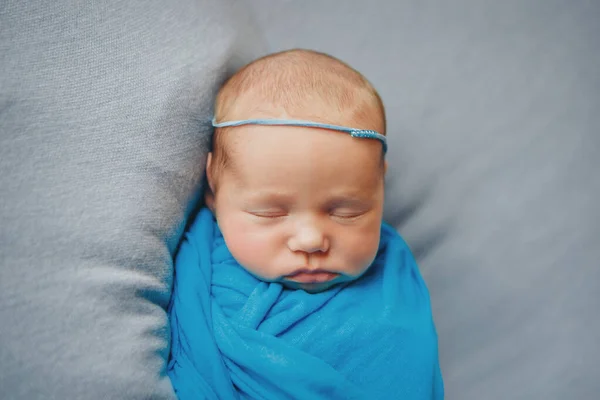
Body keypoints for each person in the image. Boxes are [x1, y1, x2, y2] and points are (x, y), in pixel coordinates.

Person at [167, 49, 444, 399]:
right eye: (270, 212)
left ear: (379, 186)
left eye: (347, 212)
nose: (311, 240)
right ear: (213, 187)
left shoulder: (394, 295)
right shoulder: (197, 272)